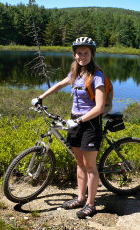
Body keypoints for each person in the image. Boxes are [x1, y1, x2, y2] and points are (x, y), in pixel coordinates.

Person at [31, 37, 105, 219]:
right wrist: (41, 97)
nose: (82, 56)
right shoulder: (76, 73)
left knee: (90, 166)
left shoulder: (97, 75)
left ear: (92, 54)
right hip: (74, 121)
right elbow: (58, 85)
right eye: (79, 53)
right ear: (74, 55)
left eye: (86, 53)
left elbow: (100, 107)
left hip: (90, 123)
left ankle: (91, 204)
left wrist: (80, 121)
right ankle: (80, 198)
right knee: (79, 163)